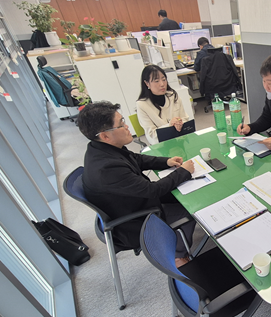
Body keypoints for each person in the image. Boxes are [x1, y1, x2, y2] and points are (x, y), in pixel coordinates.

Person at [79, 101, 196, 267]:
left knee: (184, 190)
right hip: (134, 220)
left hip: (131, 202)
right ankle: (178, 256)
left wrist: (166, 161)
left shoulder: (101, 148)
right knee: (191, 209)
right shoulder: (107, 168)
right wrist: (183, 171)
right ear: (105, 136)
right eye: (121, 124)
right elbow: (153, 190)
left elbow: (136, 159)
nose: (127, 127)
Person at [136, 65, 189, 145]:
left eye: (164, 80)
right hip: (161, 145)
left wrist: (179, 123)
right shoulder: (142, 105)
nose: (162, 84)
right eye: (156, 81)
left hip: (180, 140)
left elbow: (185, 119)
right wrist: (170, 125)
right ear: (147, 83)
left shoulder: (173, 96)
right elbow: (152, 135)